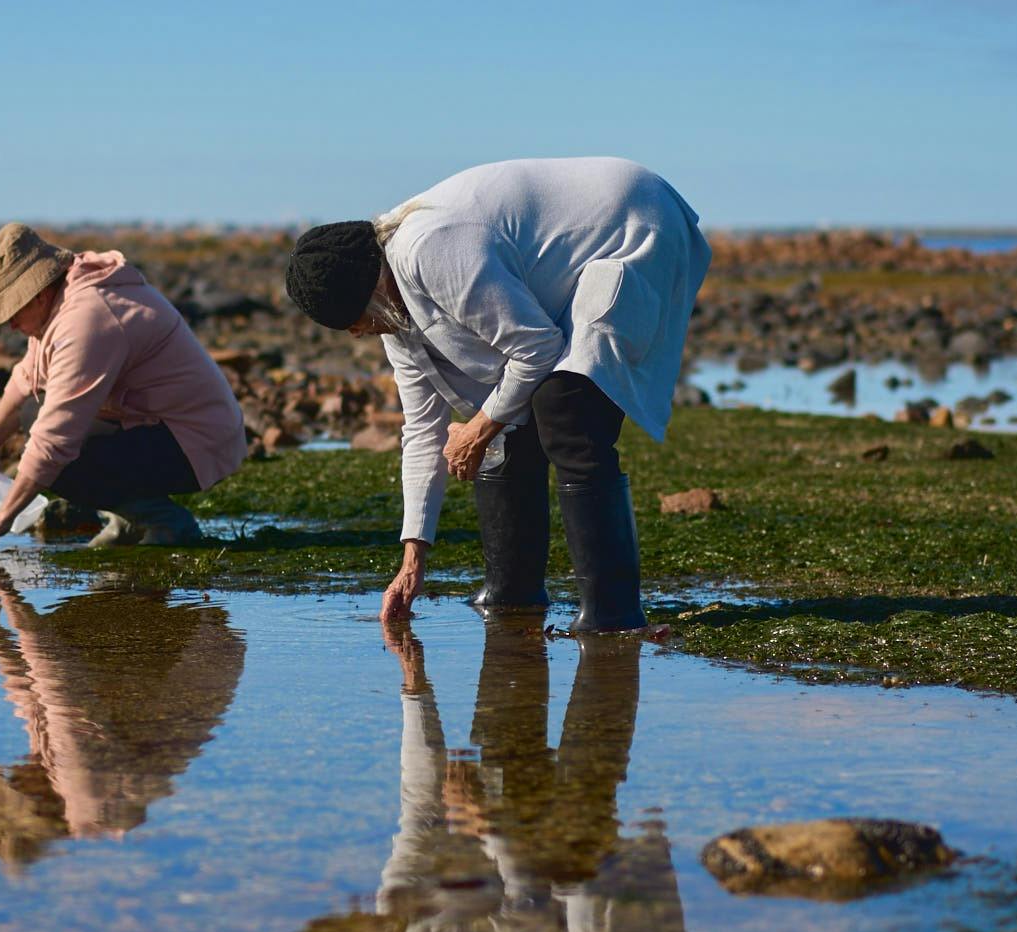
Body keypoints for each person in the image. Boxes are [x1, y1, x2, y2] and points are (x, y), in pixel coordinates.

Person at [282, 158, 708, 631]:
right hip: (565, 265)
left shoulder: (431, 250)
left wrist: (480, 428)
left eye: (354, 323)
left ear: (370, 293)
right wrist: (412, 560)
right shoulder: (392, 313)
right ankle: (513, 596)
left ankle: (614, 614)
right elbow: (423, 432)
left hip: (630, 222)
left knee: (566, 406)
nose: (358, 335)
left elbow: (536, 348)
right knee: (507, 420)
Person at [281, 617, 705, 932]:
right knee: (562, 863)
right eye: (351, 922)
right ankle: (611, 692)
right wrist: (487, 826)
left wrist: (415, 690)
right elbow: (530, 908)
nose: (357, 907)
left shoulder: (398, 929)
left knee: (524, 848)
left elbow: (420, 811)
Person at [0, 222, 247, 561]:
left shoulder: (87, 318)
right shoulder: (64, 296)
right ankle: (128, 522)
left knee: (62, 457)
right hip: (158, 426)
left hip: (199, 441)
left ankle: (164, 521)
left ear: (37, 293)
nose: (10, 326)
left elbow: (55, 441)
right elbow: (27, 377)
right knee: (32, 412)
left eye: (12, 311)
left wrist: (2, 518)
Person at [0, 567, 247, 870]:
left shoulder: (69, 785)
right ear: (33, 796)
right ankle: (138, 586)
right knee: (61, 641)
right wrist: (8, 596)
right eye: (15, 778)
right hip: (201, 646)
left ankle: (136, 587)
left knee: (65, 638)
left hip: (196, 647)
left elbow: (38, 693)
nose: (18, 767)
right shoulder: (85, 785)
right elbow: (53, 678)